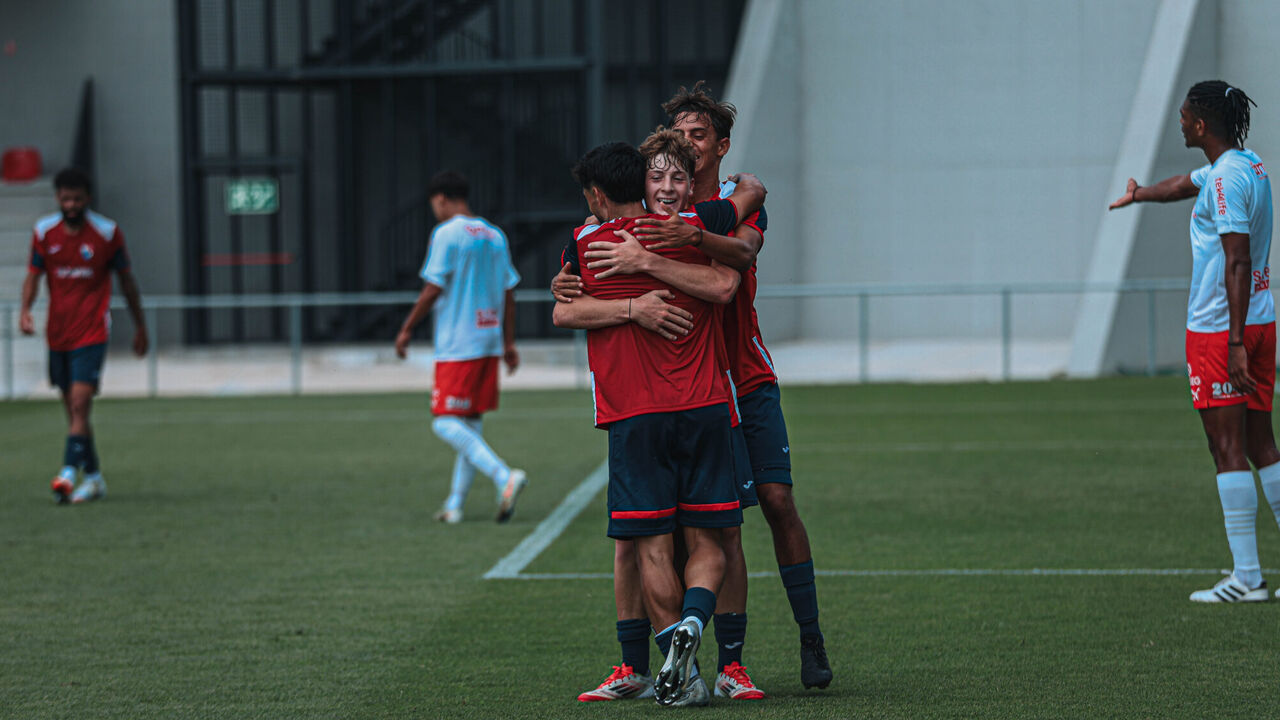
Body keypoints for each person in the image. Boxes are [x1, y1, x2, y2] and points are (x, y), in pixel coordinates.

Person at [557, 82, 834, 692]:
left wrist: (663, 254)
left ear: (720, 148)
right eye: (677, 137)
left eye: (698, 136)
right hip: (682, 391)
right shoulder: (640, 211)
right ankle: (647, 664)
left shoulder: (733, 203)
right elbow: (570, 293)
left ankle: (791, 639)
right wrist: (584, 286)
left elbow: (737, 258)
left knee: (767, 507)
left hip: (740, 378)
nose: (685, 146)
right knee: (664, 535)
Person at [564, 129, 769, 703]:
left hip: (633, 415)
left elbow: (562, 311)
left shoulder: (588, 243)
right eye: (660, 176)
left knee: (650, 544)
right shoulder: (694, 232)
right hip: (705, 406)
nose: (671, 185)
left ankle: (684, 672)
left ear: (599, 195)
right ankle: (694, 630)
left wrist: (632, 283)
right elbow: (727, 274)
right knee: (713, 537)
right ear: (644, 182)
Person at [1110, 80, 1280, 603]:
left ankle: (1247, 578)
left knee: (1225, 447)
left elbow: (1237, 258)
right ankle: (1248, 575)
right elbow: (1185, 185)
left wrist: (1230, 343)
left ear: (1201, 124)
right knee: (1260, 445)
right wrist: (1140, 194)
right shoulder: (1243, 164)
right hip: (1261, 319)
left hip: (1220, 330)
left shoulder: (1228, 180)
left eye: (1184, 117)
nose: (1180, 123)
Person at [395, 170, 527, 524]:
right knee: (470, 423)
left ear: (441, 199)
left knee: (444, 423)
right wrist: (508, 343)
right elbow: (509, 294)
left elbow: (432, 288)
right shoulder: (494, 234)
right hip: (487, 339)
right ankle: (454, 505)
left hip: (458, 343)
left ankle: (504, 476)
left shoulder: (447, 233)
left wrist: (407, 329)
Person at [20, 167, 148, 504]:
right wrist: (25, 310)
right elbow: (33, 275)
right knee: (75, 412)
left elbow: (127, 282)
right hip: (58, 333)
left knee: (79, 403)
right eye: (66, 198)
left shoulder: (107, 234)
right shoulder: (44, 233)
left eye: (77, 198)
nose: (71, 204)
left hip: (92, 332)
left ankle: (66, 472)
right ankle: (93, 478)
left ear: (87, 199)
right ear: (57, 199)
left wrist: (140, 326)